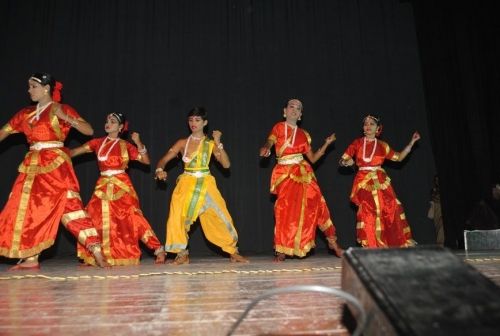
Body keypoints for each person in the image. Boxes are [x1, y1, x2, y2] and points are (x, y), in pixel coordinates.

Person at [0, 72, 109, 269]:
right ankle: (32, 257)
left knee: (69, 205)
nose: (29, 90)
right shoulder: (24, 113)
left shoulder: (61, 108)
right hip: (32, 167)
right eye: (29, 86)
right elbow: (3, 133)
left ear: (46, 88)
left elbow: (89, 130)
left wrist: (66, 117)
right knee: (25, 208)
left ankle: (96, 249)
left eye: (33, 86)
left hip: (56, 165)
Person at [155, 107, 248, 265]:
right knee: (177, 216)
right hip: (185, 184)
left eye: (197, 120)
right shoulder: (182, 143)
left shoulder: (210, 144)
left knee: (220, 215)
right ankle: (181, 254)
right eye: (191, 120)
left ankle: (233, 251)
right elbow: (164, 160)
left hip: (205, 184)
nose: (193, 123)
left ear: (205, 122)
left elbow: (226, 164)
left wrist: (218, 143)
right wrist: (159, 170)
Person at [70, 112, 166, 266]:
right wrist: (57, 151)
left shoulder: (126, 146)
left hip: (121, 185)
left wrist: (139, 143)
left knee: (132, 217)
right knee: (94, 216)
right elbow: (75, 151)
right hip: (102, 185)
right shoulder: (97, 143)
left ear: (121, 127)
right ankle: (95, 254)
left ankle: (158, 250)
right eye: (107, 120)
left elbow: (146, 161)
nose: (108, 123)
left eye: (113, 121)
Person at [259, 99, 343, 262]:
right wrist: (267, 148)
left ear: (300, 115)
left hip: (304, 172)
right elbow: (270, 141)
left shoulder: (305, 135)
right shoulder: (278, 127)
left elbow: (312, 158)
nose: (294, 110)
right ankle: (281, 249)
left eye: (298, 108)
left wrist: (326, 145)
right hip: (285, 173)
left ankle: (333, 243)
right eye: (291, 106)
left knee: (318, 204)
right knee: (284, 209)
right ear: (285, 111)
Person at [339, 115, 420, 248]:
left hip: (381, 180)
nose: (368, 126)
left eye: (372, 124)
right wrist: (347, 162)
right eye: (366, 124)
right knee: (368, 210)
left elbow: (398, 158)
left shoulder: (383, 146)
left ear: (378, 128)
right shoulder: (357, 143)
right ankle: (371, 244)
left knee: (391, 207)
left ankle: (395, 241)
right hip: (364, 181)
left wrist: (411, 143)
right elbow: (342, 160)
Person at [428, 175, 444, 246]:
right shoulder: (434, 190)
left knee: (442, 226)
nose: (437, 182)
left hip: (442, 210)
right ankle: (440, 244)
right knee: (438, 227)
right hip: (437, 209)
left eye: (438, 180)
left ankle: (441, 243)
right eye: (436, 180)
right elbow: (434, 198)